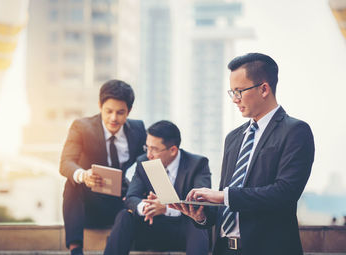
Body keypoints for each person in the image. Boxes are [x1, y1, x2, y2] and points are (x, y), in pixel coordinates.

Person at [171, 53, 315, 255]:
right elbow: (227, 201)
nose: (235, 100)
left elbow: (285, 193)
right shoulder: (234, 138)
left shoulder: (295, 131)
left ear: (264, 89)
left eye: (239, 91)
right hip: (224, 250)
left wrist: (223, 196)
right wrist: (202, 216)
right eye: (232, 92)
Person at [60, 80, 147, 255]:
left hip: (120, 202)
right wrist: (84, 175)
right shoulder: (82, 127)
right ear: (100, 106)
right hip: (90, 202)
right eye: (109, 111)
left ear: (129, 111)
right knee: (72, 184)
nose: (114, 118)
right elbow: (66, 163)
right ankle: (76, 249)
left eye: (120, 112)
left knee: (136, 199)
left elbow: (146, 163)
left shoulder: (138, 129)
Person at [104, 120, 211, 255]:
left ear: (173, 150)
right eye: (147, 147)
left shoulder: (197, 164)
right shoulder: (144, 162)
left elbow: (201, 204)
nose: (149, 154)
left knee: (196, 222)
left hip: (182, 232)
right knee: (125, 215)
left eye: (154, 149)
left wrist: (166, 208)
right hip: (151, 228)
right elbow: (131, 198)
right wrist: (148, 207)